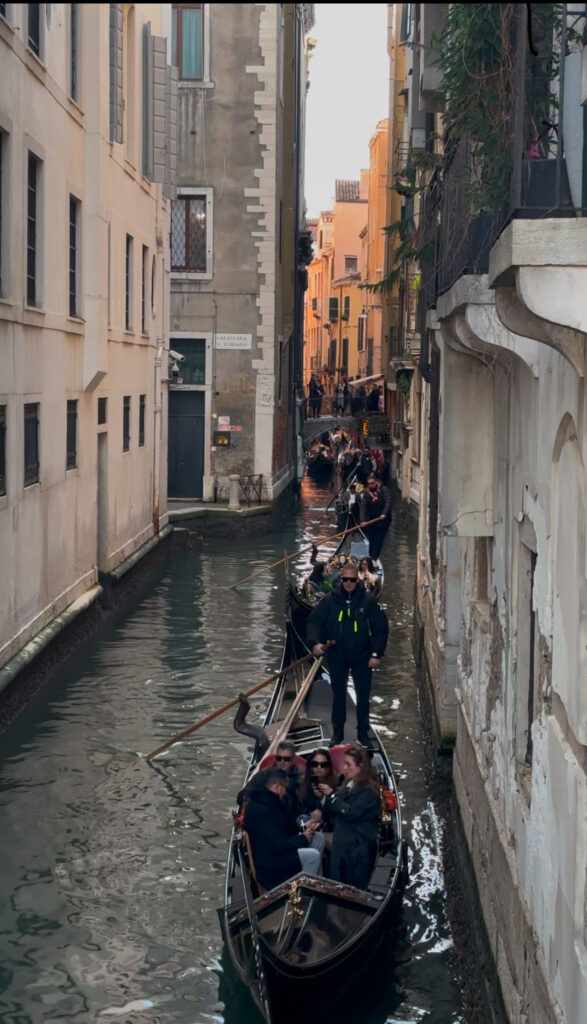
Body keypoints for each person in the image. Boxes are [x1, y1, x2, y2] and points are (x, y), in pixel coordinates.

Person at [306, 563, 388, 747]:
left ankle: (363, 733)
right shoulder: (329, 600)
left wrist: (376, 654)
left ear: (357, 580)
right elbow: (315, 622)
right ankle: (338, 733)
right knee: (339, 695)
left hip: (362, 656)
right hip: (337, 655)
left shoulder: (368, 600)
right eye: (345, 579)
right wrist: (315, 643)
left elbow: (380, 628)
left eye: (352, 580)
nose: (349, 583)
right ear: (341, 579)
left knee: (363, 696)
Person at [242, 768, 323, 889]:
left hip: (275, 855)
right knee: (313, 856)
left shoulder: (269, 802)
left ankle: (317, 888)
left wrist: (303, 828)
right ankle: (304, 898)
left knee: (318, 838)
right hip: (270, 867)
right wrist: (303, 839)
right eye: (285, 788)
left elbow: (282, 829)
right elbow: (278, 846)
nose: (286, 792)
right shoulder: (262, 811)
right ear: (277, 787)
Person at [318, 746, 381, 889]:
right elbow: (331, 808)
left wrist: (332, 796)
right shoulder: (347, 786)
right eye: (344, 764)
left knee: (352, 888)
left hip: (357, 850)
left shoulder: (368, 792)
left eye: (348, 764)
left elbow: (351, 813)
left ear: (360, 767)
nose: (344, 768)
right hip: (343, 843)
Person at [360, 474, 393, 561]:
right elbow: (363, 507)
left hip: (383, 521)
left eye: (372, 483)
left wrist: (384, 513)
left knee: (378, 541)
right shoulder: (366, 495)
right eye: (369, 484)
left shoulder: (384, 491)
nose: (371, 485)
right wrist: (362, 520)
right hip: (372, 520)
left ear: (376, 482)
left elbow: (388, 502)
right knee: (371, 540)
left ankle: (374, 558)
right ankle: (371, 558)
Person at [273, 740, 304, 817]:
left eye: (286, 759)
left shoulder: (302, 778)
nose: (282, 762)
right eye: (279, 758)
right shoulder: (265, 774)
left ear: (293, 760)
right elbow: (245, 792)